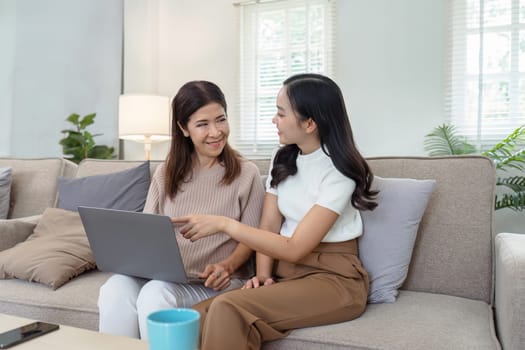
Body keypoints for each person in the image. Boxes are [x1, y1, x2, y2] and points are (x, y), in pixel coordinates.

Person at [174, 73, 378, 350]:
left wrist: (225, 224)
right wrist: (263, 275)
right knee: (192, 318)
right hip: (287, 273)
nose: (274, 120)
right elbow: (269, 226)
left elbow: (295, 247)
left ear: (309, 123)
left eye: (281, 113)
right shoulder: (283, 157)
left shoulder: (339, 172)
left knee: (227, 308)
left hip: (335, 279)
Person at [97, 80, 265, 340]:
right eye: (202, 124)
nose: (216, 132)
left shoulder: (247, 174)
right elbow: (146, 230)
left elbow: (252, 238)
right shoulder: (166, 173)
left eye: (220, 120)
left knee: (156, 294)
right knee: (114, 289)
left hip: (216, 282)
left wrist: (227, 267)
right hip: (167, 276)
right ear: (183, 129)